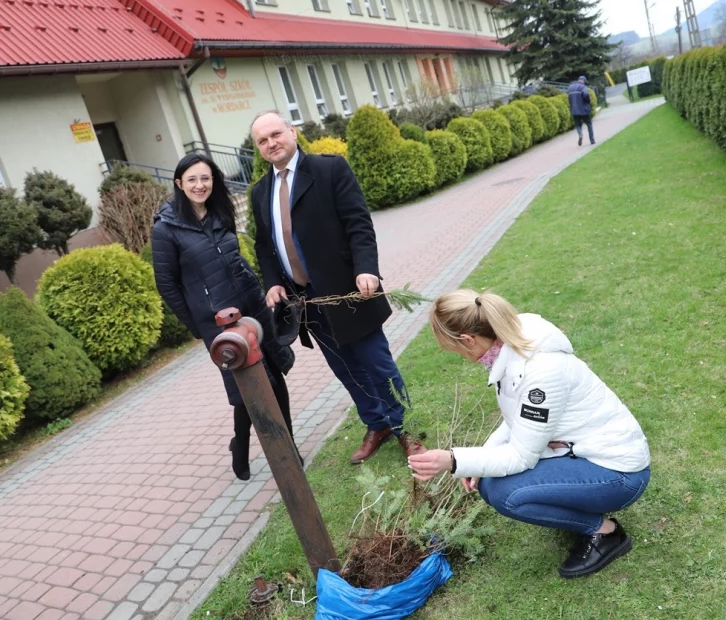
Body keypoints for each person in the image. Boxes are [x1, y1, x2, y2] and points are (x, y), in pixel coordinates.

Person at [409, 290, 651, 579]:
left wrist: (453, 460)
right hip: (585, 454)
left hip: (620, 474)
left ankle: (605, 533)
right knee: (490, 481)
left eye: (457, 351)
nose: (463, 358)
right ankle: (578, 511)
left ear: (468, 340)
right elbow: (517, 420)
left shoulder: (540, 372)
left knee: (505, 494)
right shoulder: (513, 340)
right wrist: (476, 457)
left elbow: (521, 456)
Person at [249, 110, 427, 465]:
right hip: (308, 303)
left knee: (377, 364)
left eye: (275, 134)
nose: (271, 143)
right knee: (346, 369)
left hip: (349, 292)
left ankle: (406, 427)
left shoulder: (330, 170)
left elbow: (358, 224)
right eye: (262, 140)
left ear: (292, 131)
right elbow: (264, 247)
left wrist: (366, 269)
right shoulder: (260, 192)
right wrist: (271, 283)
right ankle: (377, 424)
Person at [152, 153, 298, 482]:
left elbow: (235, 258)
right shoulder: (166, 229)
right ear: (179, 184)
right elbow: (167, 285)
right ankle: (243, 446)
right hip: (219, 321)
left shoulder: (221, 212)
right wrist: (197, 324)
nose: (199, 185)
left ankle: (287, 448)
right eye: (191, 179)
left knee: (273, 372)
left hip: (252, 307)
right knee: (245, 385)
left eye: (205, 178)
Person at [568, 75, 596, 146]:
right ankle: (592, 140)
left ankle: (580, 134)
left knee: (578, 125)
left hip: (574, 110)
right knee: (589, 124)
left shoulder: (570, 87)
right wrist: (588, 101)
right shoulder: (582, 87)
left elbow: (569, 99)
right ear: (583, 81)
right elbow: (586, 94)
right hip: (584, 110)